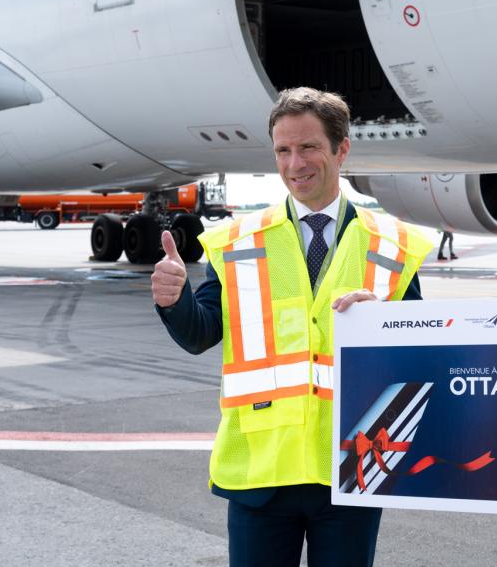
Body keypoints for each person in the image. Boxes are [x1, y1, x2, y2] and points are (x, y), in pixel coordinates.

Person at [151, 87, 433, 567]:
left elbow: (420, 355)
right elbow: (200, 334)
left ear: (341, 149)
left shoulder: (392, 245)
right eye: (283, 150)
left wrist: (385, 325)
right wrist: (173, 300)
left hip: (351, 470)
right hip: (261, 473)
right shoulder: (237, 241)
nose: (294, 163)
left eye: (308, 147)